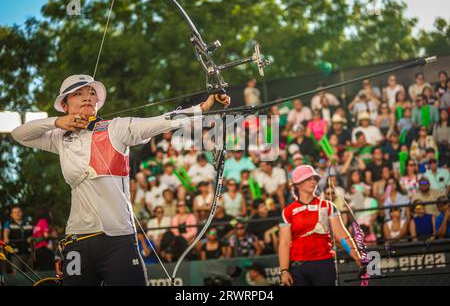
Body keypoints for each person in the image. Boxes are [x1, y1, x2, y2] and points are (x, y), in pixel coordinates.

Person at [11, 74, 230, 285]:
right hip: (78, 240)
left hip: (118, 240)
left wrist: (202, 108)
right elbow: (19, 134)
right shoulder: (60, 138)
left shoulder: (116, 128)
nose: (87, 97)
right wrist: (58, 122)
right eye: (78, 94)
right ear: (65, 105)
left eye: (90, 93)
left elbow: (160, 122)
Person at [278, 165, 361, 286]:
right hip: (298, 268)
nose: (313, 181)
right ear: (297, 184)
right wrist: (284, 271)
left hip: (323, 264)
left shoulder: (328, 206)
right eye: (308, 178)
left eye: (314, 178)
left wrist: (358, 258)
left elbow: (342, 236)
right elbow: (284, 243)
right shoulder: (287, 211)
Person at [2, 206, 33, 274]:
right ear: (11, 215)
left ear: (22, 213)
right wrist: (6, 238)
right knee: (17, 274)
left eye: (19, 212)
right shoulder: (8, 223)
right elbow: (6, 233)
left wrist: (31, 238)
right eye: (15, 212)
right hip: (15, 254)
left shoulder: (28, 223)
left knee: (30, 274)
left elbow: (33, 234)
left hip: (28, 252)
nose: (17, 214)